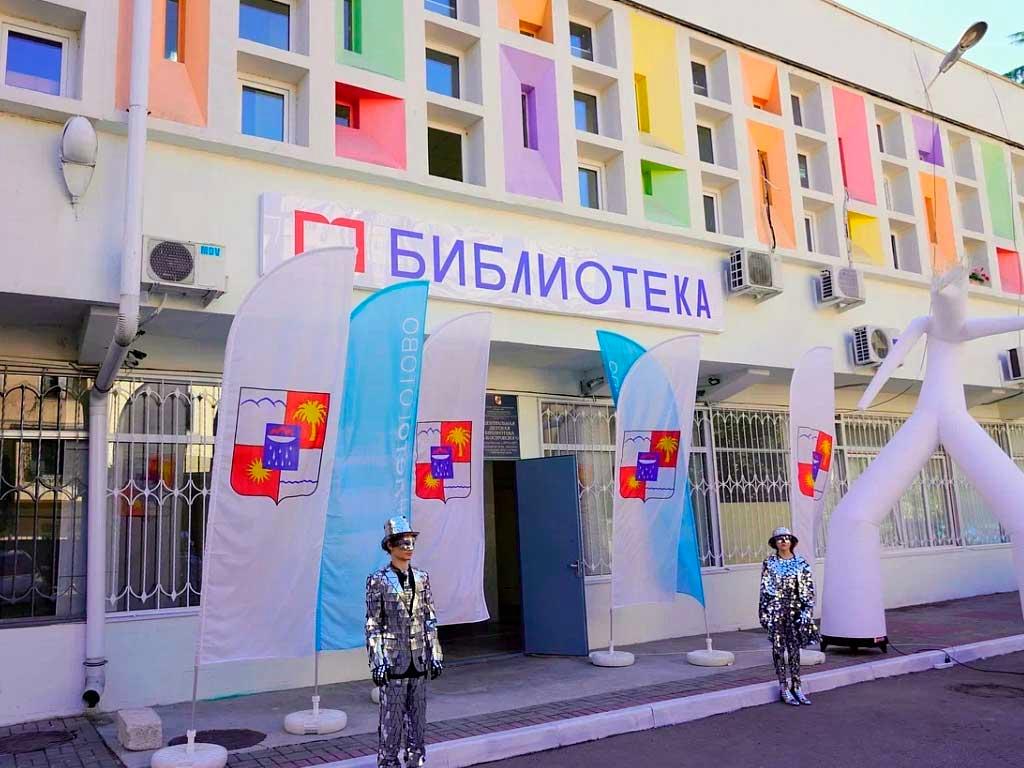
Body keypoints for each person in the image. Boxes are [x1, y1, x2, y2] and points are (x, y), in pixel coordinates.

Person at [365, 515, 444, 768]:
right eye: (403, 542)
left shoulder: (422, 577)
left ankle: (416, 761)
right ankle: (388, 762)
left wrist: (435, 654)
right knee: (392, 719)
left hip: (418, 659)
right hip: (393, 660)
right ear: (390, 545)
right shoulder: (377, 580)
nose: (409, 547)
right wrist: (378, 661)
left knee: (418, 719)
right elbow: (373, 623)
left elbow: (429, 618)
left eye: (411, 542)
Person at [759, 526, 818, 706]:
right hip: (777, 610)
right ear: (775, 543)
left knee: (794, 649)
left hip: (796, 611)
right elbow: (765, 589)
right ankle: (783, 686)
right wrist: (766, 613)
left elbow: (808, 587)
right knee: (778, 649)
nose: (783, 541)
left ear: (792, 541)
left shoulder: (801, 562)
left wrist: (807, 610)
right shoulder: (769, 563)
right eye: (779, 539)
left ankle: (797, 685)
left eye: (786, 538)